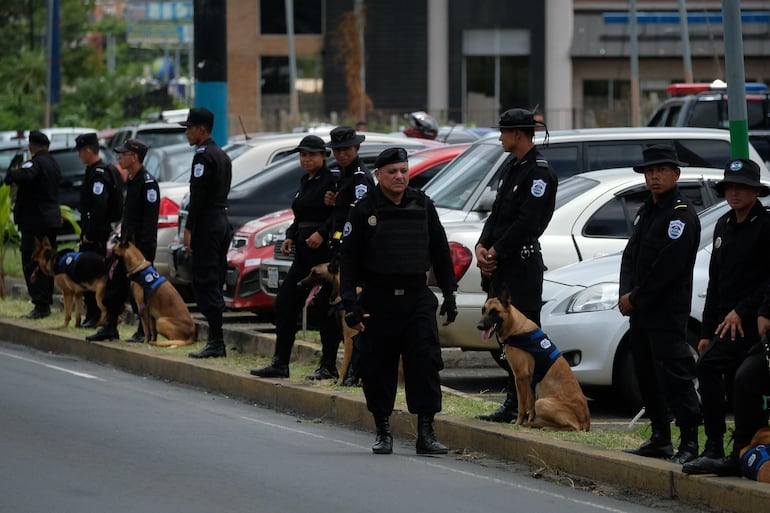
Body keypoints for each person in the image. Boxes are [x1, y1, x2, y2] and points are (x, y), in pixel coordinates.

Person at [339, 147, 458, 455]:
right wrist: (350, 303)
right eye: (392, 171)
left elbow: (441, 252)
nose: (399, 176)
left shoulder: (423, 205)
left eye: (403, 170)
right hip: (378, 299)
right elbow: (349, 259)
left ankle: (426, 433)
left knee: (425, 363)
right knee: (378, 367)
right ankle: (383, 430)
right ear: (378, 175)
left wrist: (450, 292)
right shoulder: (364, 210)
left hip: (417, 297)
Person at [682, 159, 770, 474]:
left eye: (742, 187)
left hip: (754, 321)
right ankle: (720, 447)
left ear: (756, 190)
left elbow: (767, 281)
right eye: (730, 186)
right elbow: (716, 284)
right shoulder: (723, 224)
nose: (735, 193)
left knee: (734, 379)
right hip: (725, 324)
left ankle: (731, 448)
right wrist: (706, 332)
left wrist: (745, 310)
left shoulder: (766, 224)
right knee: (712, 368)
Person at [619, 144, 702, 465]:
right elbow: (631, 256)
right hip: (640, 312)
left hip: (666, 312)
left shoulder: (680, 214)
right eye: (650, 171)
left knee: (676, 378)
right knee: (646, 375)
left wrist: (635, 298)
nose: (654, 176)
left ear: (675, 174)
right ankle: (659, 438)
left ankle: (690, 443)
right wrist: (624, 294)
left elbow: (668, 267)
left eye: (662, 170)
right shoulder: (646, 210)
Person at [474, 108, 556, 423]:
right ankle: (512, 404)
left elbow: (528, 222)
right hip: (501, 264)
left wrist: (497, 251)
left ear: (518, 135)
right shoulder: (513, 167)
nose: (500, 137)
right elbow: (496, 214)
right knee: (505, 337)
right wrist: (482, 247)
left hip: (520, 266)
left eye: (504, 132)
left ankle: (527, 405)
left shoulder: (539, 173)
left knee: (523, 337)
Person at [250, 135, 340, 379]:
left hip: (322, 256)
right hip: (302, 254)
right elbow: (299, 215)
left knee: (323, 311)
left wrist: (322, 233)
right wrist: (290, 235)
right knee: (285, 304)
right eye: (303, 154)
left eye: (312, 154)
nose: (306, 159)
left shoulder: (331, 182)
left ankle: (329, 365)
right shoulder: (306, 181)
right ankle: (280, 363)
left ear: (323, 155)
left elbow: (339, 216)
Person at [302, 125, 374, 381]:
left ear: (357, 148)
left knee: (353, 315)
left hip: (352, 256)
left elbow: (360, 217)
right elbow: (340, 214)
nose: (341, 154)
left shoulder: (359, 177)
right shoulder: (343, 175)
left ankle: (355, 370)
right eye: (337, 150)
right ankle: (330, 364)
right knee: (330, 314)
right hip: (338, 253)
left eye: (346, 149)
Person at [87, 139, 159, 342]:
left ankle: (142, 330)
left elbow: (149, 222)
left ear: (134, 157)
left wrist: (142, 251)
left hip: (140, 248)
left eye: (123, 154)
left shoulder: (147, 183)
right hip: (125, 246)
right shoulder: (132, 180)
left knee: (141, 289)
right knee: (114, 282)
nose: (119, 157)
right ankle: (110, 326)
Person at [182, 108, 233, 359]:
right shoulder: (222, 155)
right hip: (221, 221)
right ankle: (216, 338)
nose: (187, 133)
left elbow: (198, 197)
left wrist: (189, 228)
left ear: (202, 129)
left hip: (207, 224)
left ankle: (216, 340)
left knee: (205, 280)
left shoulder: (203, 156)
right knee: (215, 277)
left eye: (189, 128)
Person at [4, 130, 62, 319]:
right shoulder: (54, 163)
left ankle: (40, 303)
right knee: (48, 260)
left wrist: (12, 174)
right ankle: (45, 300)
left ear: (31, 146)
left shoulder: (35, 162)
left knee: (32, 260)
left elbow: (25, 175)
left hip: (35, 221)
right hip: (51, 219)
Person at [75, 132, 122, 329]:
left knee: (91, 275)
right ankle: (95, 315)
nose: (79, 156)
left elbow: (99, 206)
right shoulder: (97, 171)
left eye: (80, 152)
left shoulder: (99, 174)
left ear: (88, 150)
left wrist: (90, 234)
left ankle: (94, 315)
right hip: (97, 232)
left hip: (96, 235)